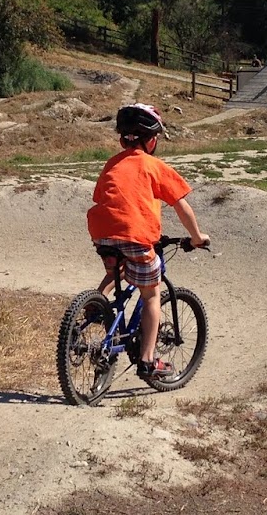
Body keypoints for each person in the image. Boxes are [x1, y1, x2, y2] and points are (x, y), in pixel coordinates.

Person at [86, 103, 209, 379]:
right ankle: (148, 361)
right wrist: (197, 237)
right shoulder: (154, 166)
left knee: (117, 266)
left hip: (101, 233)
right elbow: (181, 205)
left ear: (122, 139)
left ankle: (97, 301)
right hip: (137, 238)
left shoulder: (111, 164)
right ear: (152, 140)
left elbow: (103, 198)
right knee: (152, 295)